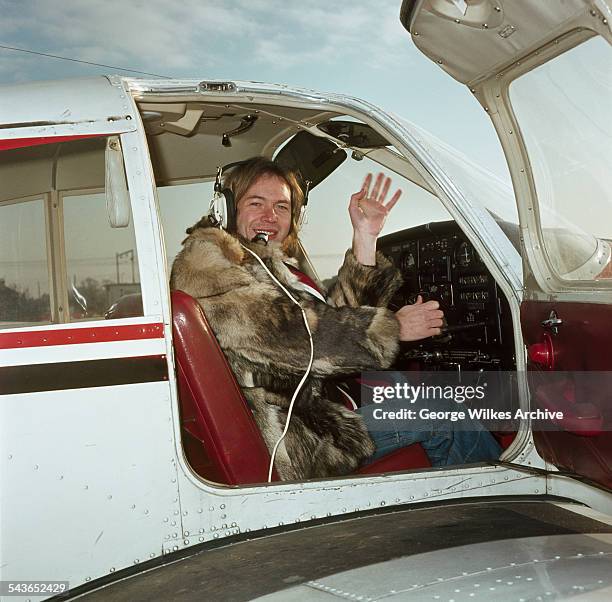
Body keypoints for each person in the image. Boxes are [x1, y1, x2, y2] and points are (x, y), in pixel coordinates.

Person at [170, 156, 500, 480]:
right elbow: (301, 341)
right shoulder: (209, 269)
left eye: (282, 207)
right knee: (446, 412)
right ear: (226, 209)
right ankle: (496, 501)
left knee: (405, 393)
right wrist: (394, 328)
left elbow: (329, 317)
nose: (270, 216)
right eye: (256, 203)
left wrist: (365, 236)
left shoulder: (258, 264)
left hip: (303, 417)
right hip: (294, 442)